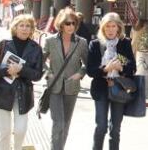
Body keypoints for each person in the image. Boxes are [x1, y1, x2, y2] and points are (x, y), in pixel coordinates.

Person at [0, 14, 43, 150]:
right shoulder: (3, 45)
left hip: (23, 93)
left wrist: (22, 69)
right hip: (2, 93)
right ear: (15, 28)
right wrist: (6, 70)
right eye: (21, 25)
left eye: (28, 26)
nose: (24, 29)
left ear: (31, 29)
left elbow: (37, 75)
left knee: (20, 130)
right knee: (4, 131)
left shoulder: (36, 48)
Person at [87, 12, 136, 150]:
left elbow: (133, 67)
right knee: (101, 127)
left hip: (119, 88)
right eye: (107, 26)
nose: (110, 29)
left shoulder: (124, 43)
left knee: (115, 129)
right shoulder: (95, 44)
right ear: (103, 28)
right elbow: (90, 70)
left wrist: (121, 67)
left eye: (113, 26)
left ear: (118, 28)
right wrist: (106, 68)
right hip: (101, 88)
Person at [43, 8, 88, 150]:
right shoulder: (50, 41)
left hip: (72, 87)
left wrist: (80, 74)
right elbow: (40, 62)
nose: (71, 26)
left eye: (74, 23)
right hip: (54, 86)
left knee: (66, 124)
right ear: (61, 24)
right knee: (59, 123)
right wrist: (48, 73)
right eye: (68, 23)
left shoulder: (81, 42)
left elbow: (88, 64)